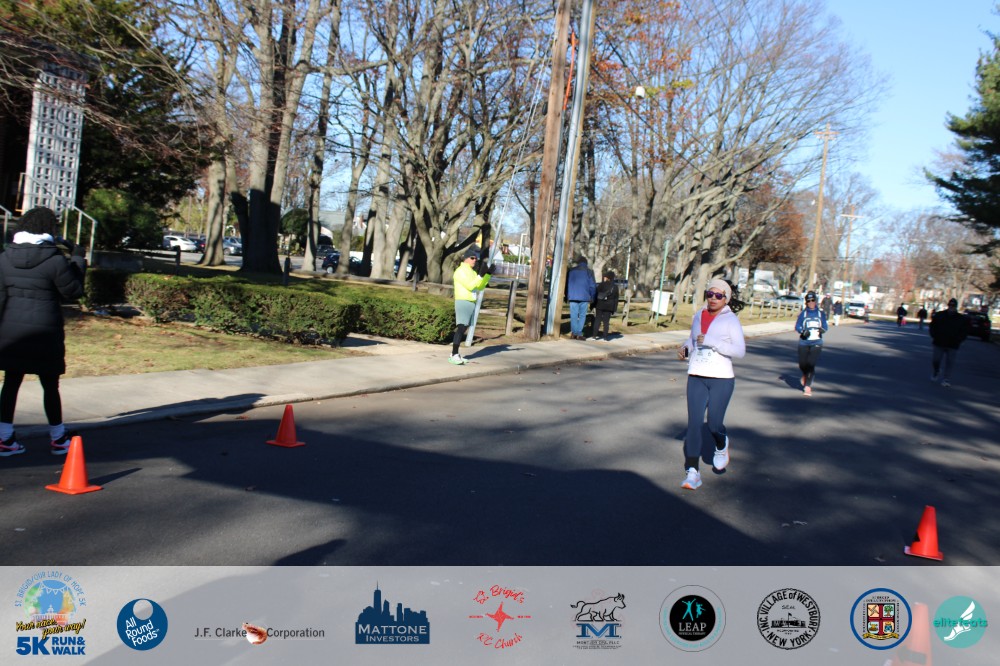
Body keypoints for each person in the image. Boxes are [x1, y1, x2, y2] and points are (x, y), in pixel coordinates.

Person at [0, 207, 87, 457]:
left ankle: (5, 438)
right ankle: (58, 438)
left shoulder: (4, 258)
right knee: (50, 384)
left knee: (11, 382)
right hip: (45, 331)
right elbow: (73, 291)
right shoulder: (54, 260)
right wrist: (78, 259)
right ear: (49, 229)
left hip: (12, 331)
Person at [676, 278, 746, 490]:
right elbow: (693, 340)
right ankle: (692, 472)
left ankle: (721, 444)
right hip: (696, 375)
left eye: (718, 296)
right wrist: (685, 349)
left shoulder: (731, 320)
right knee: (694, 424)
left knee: (714, 424)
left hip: (721, 378)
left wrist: (712, 342)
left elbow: (740, 351)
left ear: (726, 299)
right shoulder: (699, 315)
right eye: (710, 294)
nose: (713, 298)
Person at [449, 246, 492, 365]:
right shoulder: (460, 271)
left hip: (471, 302)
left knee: (464, 328)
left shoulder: (472, 272)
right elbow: (470, 285)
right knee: (461, 327)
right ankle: (454, 354)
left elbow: (479, 287)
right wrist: (480, 275)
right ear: (466, 258)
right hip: (463, 301)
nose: (475, 260)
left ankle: (455, 354)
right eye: (472, 258)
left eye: (476, 258)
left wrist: (487, 275)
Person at [794, 290, 828, 396]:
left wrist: (822, 330)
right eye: (809, 301)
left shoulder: (820, 314)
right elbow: (797, 326)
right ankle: (806, 374)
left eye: (813, 300)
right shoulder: (803, 314)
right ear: (806, 302)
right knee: (802, 364)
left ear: (816, 301)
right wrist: (802, 331)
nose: (811, 302)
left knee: (811, 363)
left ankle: (807, 387)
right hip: (804, 341)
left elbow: (825, 326)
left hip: (817, 342)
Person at [929, 298, 967, 387]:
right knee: (936, 360)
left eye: (953, 306)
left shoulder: (961, 318)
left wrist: (960, 339)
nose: (951, 307)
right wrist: (934, 335)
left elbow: (964, 331)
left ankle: (946, 379)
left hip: (953, 344)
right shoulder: (940, 315)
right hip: (939, 342)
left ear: (956, 307)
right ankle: (936, 371)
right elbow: (932, 326)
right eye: (950, 305)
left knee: (950, 362)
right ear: (948, 305)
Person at [566, 255, 596, 340]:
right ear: (586, 263)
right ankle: (579, 333)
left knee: (574, 315)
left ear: (578, 263)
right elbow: (593, 286)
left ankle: (573, 333)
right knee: (582, 315)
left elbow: (567, 284)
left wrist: (567, 295)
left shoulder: (571, 271)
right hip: (584, 297)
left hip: (573, 296)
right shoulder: (589, 272)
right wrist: (592, 297)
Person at [592, 270, 619, 339]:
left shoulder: (601, 285)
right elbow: (616, 299)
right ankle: (605, 336)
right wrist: (614, 309)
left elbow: (596, 294)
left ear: (607, 277)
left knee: (597, 320)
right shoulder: (615, 287)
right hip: (609, 306)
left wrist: (593, 304)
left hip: (600, 305)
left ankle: (594, 335)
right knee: (606, 321)